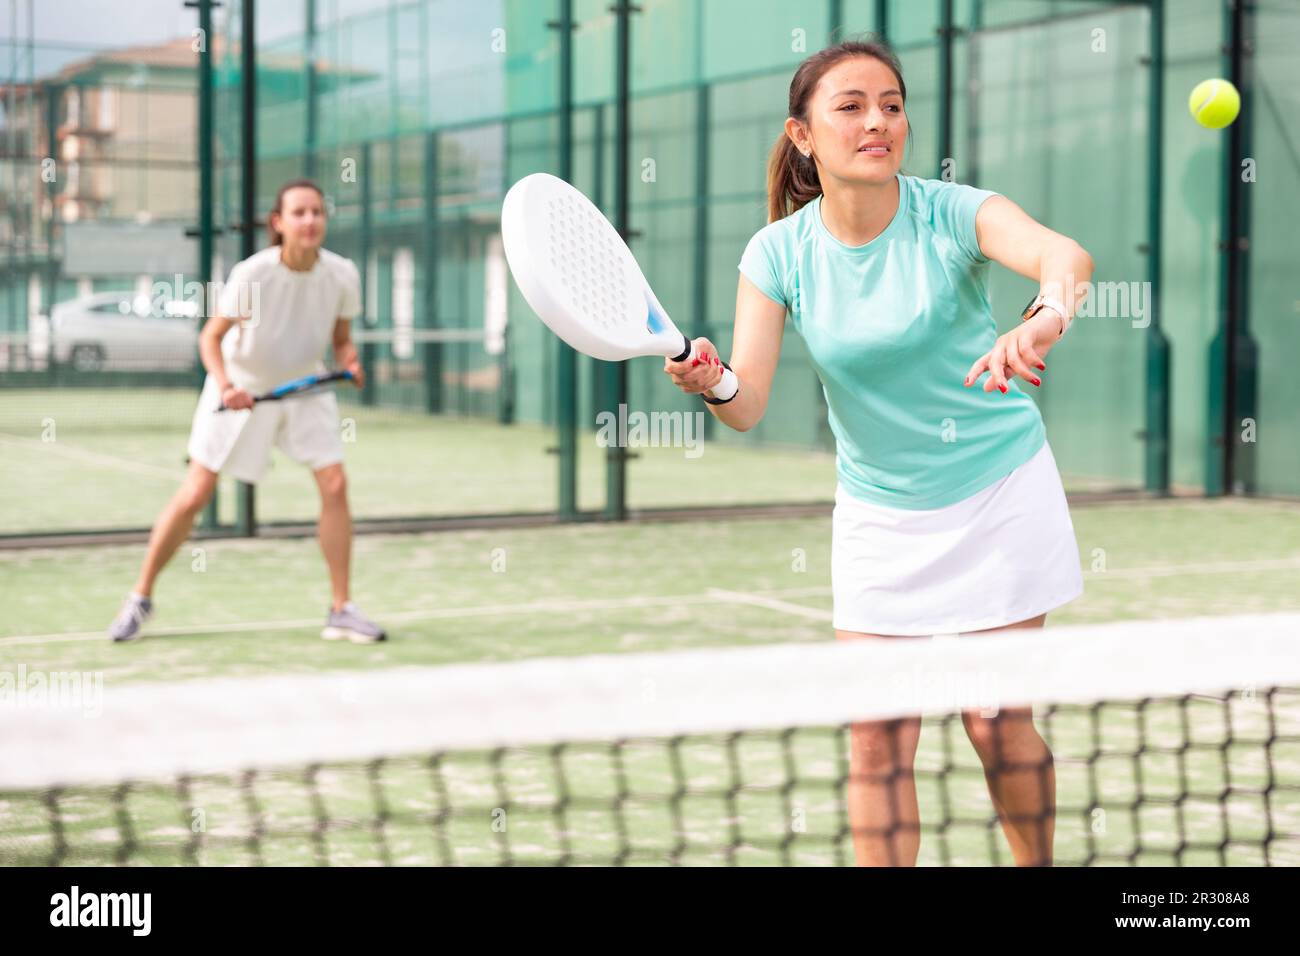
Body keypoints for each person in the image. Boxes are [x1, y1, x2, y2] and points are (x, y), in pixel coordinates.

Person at [664, 38, 1090, 866]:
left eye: (890, 105)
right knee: (876, 738)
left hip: (999, 490)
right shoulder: (778, 253)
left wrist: (1042, 318)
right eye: (850, 108)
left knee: (995, 719)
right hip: (878, 515)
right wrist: (712, 381)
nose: (877, 122)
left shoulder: (949, 211)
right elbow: (745, 403)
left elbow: (1063, 257)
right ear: (803, 135)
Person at [108, 179, 386, 645]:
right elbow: (210, 338)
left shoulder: (341, 275)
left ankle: (341, 609)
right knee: (196, 492)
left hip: (305, 388)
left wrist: (349, 361)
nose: (310, 220)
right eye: (299, 212)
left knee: (335, 484)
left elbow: (340, 338)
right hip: (241, 388)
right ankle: (140, 597)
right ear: (278, 223)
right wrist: (227, 385)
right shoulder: (253, 275)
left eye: (317, 212)